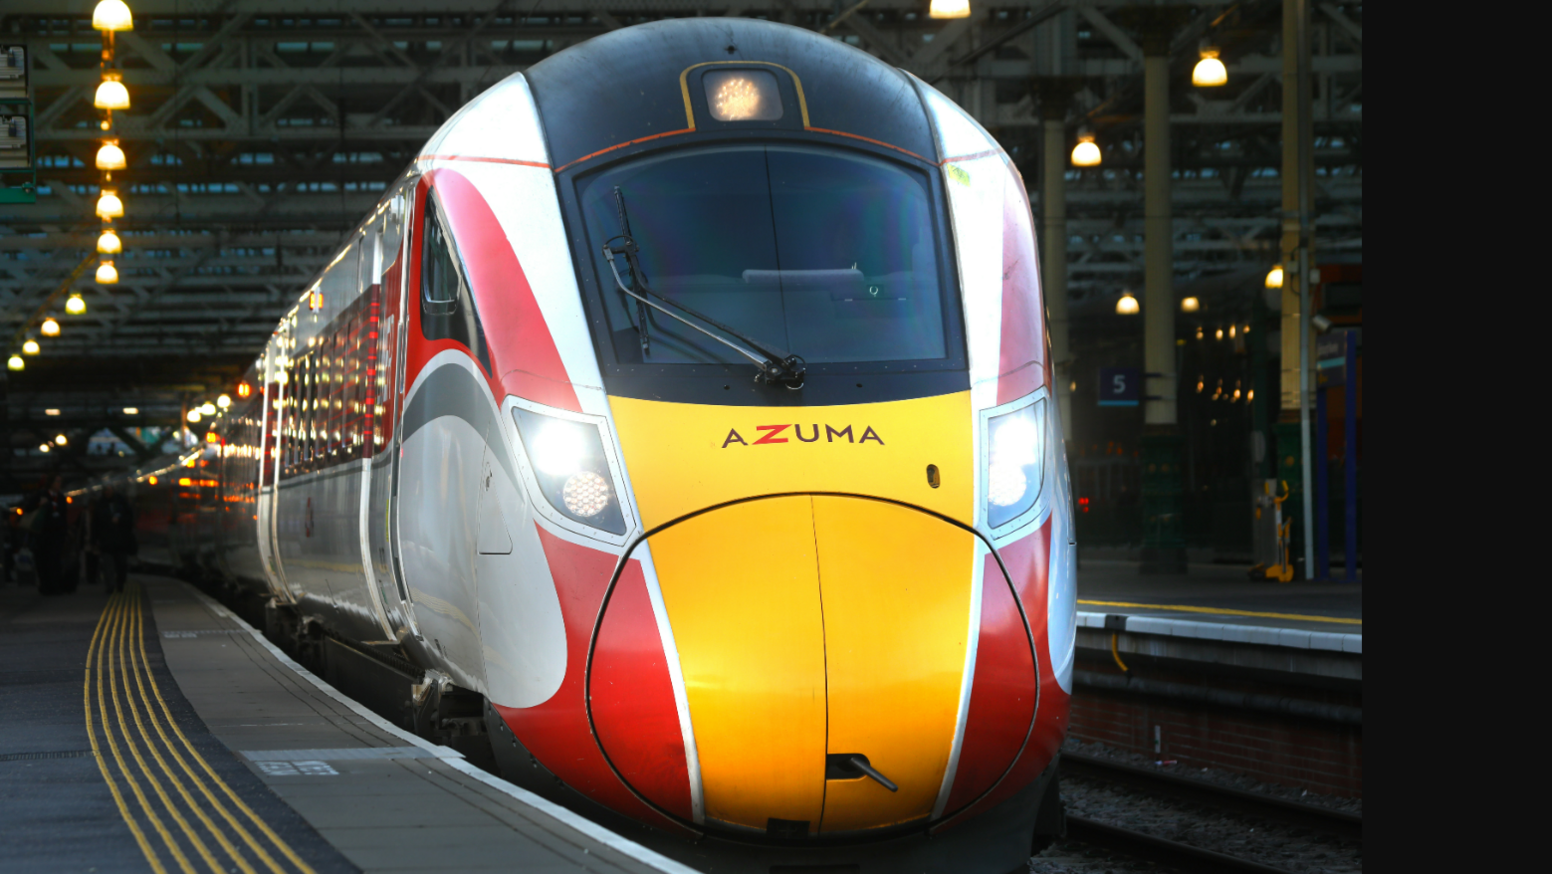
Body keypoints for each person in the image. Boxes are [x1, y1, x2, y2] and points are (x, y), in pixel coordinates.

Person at [31, 475, 69, 595]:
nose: (59, 484)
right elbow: (28, 508)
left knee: (55, 561)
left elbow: (63, 516)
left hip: (56, 534)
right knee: (43, 561)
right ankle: (45, 586)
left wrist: (64, 532)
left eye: (60, 481)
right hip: (43, 534)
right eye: (57, 481)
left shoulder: (61, 497)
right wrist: (39, 505)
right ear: (51, 483)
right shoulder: (41, 495)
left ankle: (55, 586)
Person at [94, 483, 135, 594]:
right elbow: (96, 523)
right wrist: (95, 540)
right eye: (105, 490)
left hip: (120, 541)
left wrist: (120, 521)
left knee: (121, 564)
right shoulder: (100, 504)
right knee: (108, 566)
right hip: (106, 541)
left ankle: (120, 583)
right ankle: (110, 586)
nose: (107, 492)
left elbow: (130, 518)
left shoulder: (121, 502)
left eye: (109, 490)